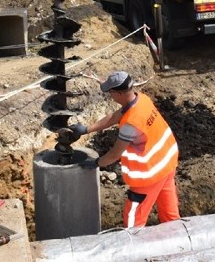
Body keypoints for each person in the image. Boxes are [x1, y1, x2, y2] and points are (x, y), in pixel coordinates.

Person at [61, 71, 180, 228]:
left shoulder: (131, 125)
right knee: (171, 216)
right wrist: (87, 129)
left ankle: (133, 249)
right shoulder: (141, 99)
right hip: (167, 163)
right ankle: (179, 244)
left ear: (118, 93)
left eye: (111, 93)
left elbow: (115, 154)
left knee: (134, 221)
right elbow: (115, 116)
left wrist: (97, 163)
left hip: (148, 175)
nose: (111, 96)